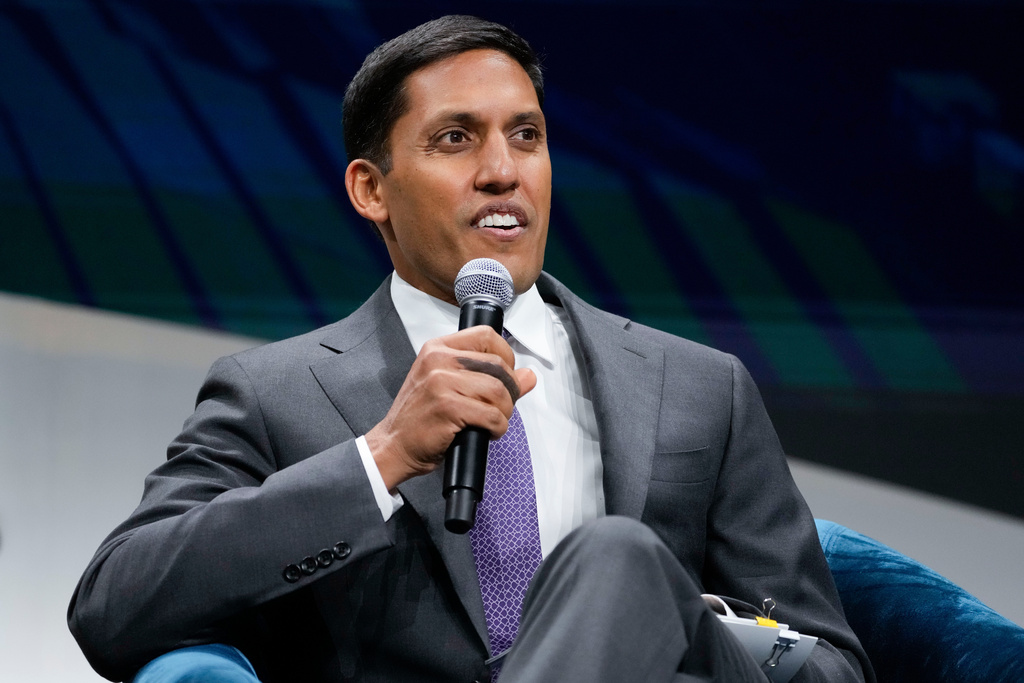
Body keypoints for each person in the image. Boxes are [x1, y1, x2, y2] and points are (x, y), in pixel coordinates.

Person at [69, 15, 873, 683]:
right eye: (456, 139)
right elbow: (114, 603)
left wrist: (670, 613)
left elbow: (833, 665)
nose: (502, 171)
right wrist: (380, 456)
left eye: (526, 136)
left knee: (621, 558)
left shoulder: (702, 387)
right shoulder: (272, 392)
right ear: (370, 189)